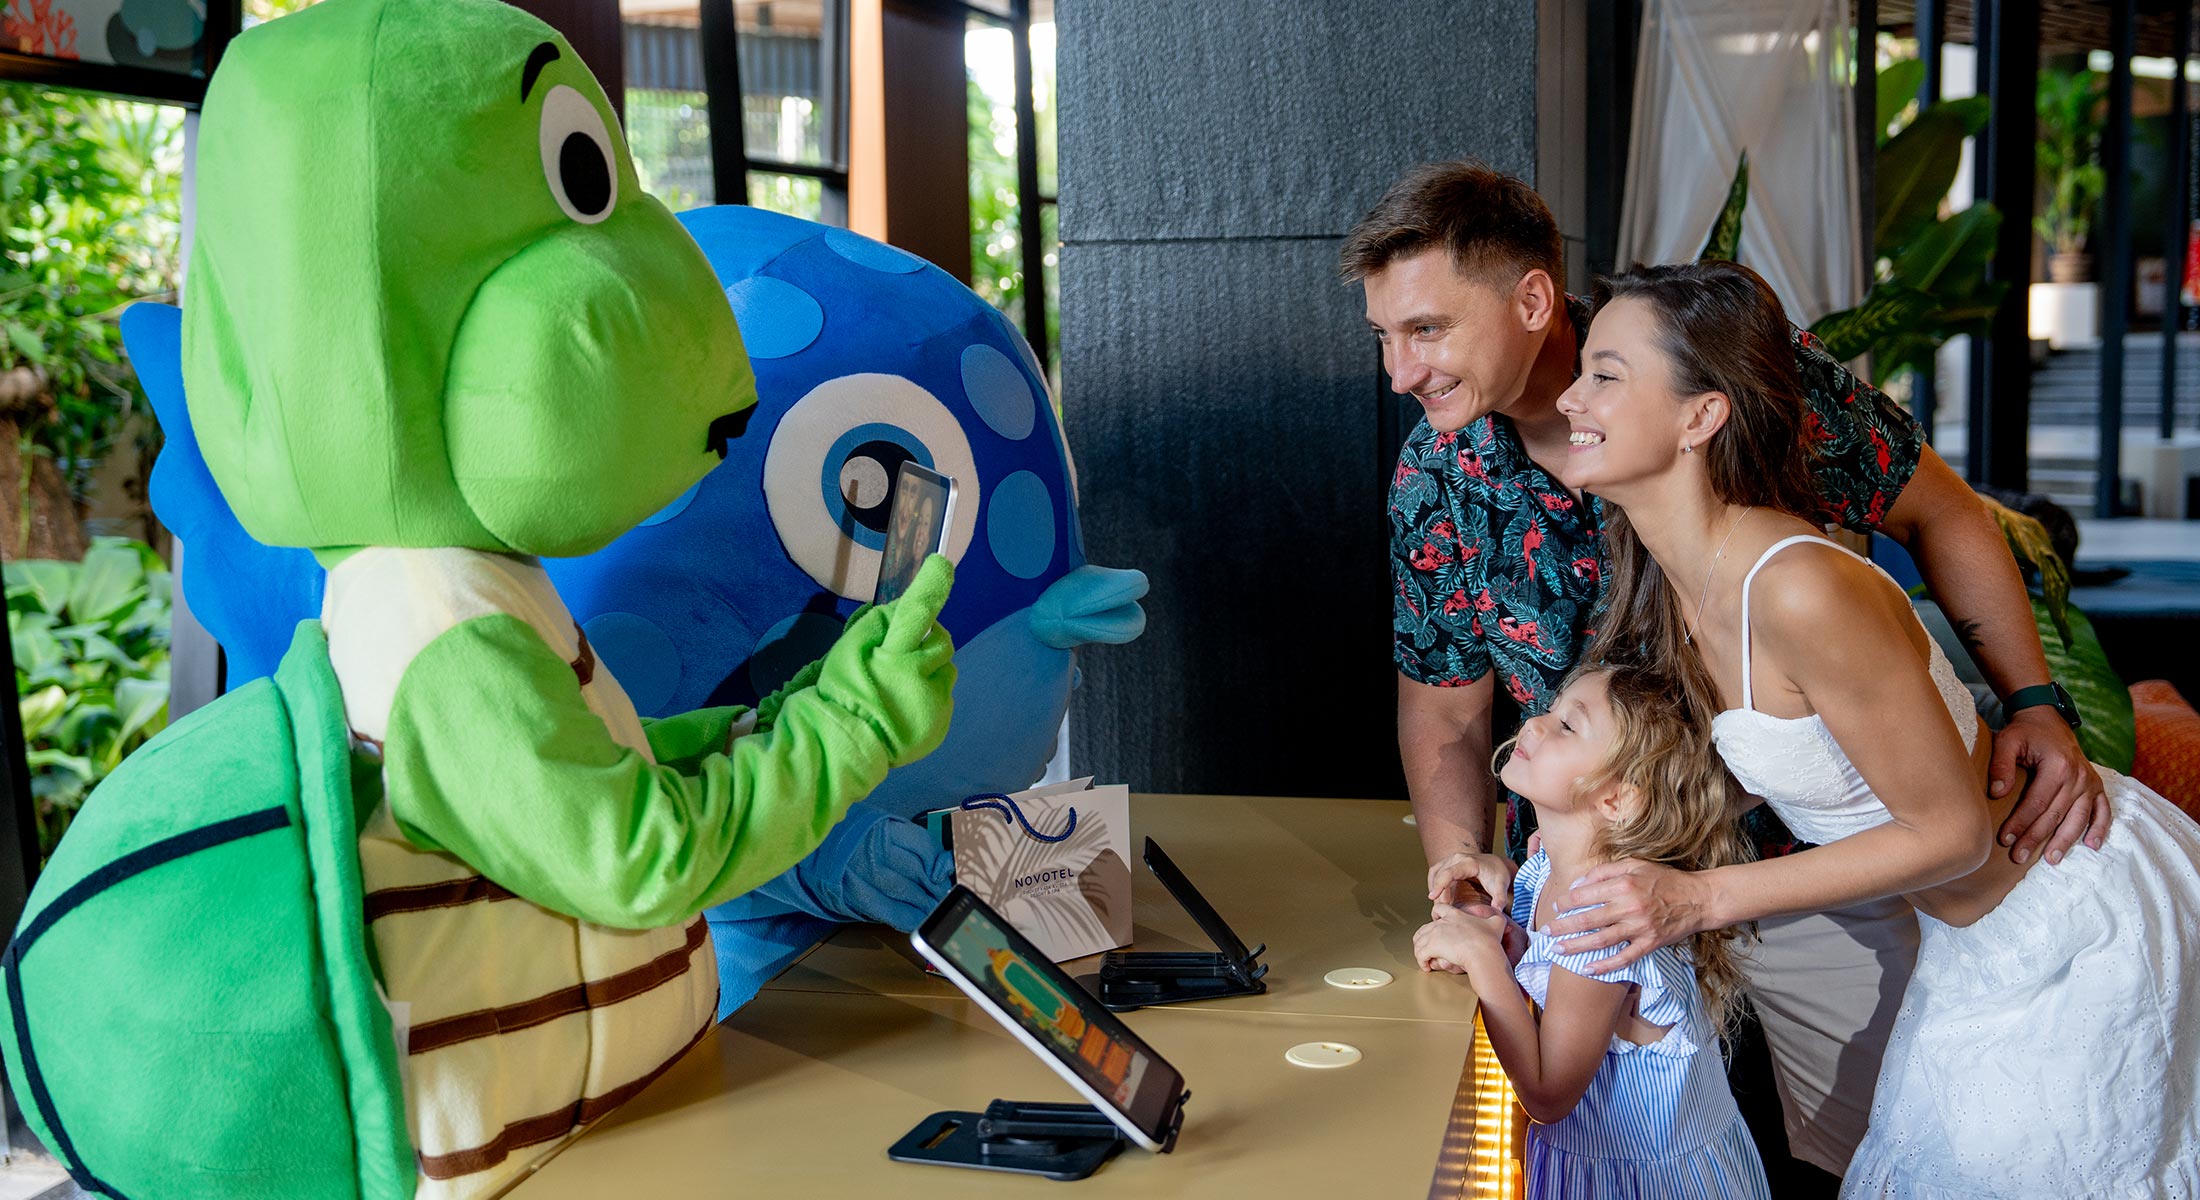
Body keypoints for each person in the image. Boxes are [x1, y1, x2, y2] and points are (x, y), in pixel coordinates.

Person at [1351, 159, 2104, 1176]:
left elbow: (1941, 512)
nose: (1399, 372)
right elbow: (1443, 716)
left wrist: (2033, 699)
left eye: (1426, 330)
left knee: (1890, 1156)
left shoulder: (1707, 371)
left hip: (1816, 876)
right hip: (1596, 909)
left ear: (1532, 298)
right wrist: (1459, 867)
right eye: (1384, 337)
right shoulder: (1433, 481)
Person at [1549, 259, 2200, 1196]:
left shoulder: (1799, 587)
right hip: (1973, 952)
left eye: (1605, 373)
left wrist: (1697, 902)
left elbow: (1954, 831)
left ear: (1701, 417)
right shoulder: (1676, 581)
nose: (1571, 395)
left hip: (2077, 927)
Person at [1415, 664, 1770, 1199]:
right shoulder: (1543, 871)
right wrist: (1510, 944)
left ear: (1615, 800)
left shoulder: (1601, 920)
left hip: (1642, 1184)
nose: (1534, 724)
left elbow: (1548, 1095)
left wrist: (1484, 961)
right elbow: (1550, 976)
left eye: (1567, 726)